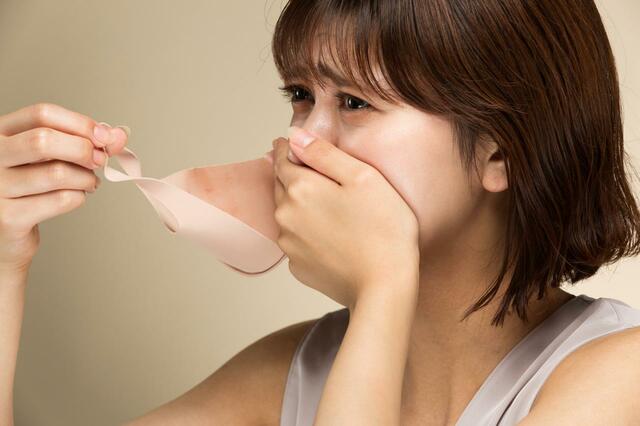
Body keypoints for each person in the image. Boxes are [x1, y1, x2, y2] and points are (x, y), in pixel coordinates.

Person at [2, 0, 640, 425]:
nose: (302, 140)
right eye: (302, 95)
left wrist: (382, 285)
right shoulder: (288, 374)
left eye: (356, 103)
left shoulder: (621, 375)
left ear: (500, 150)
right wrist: (5, 263)